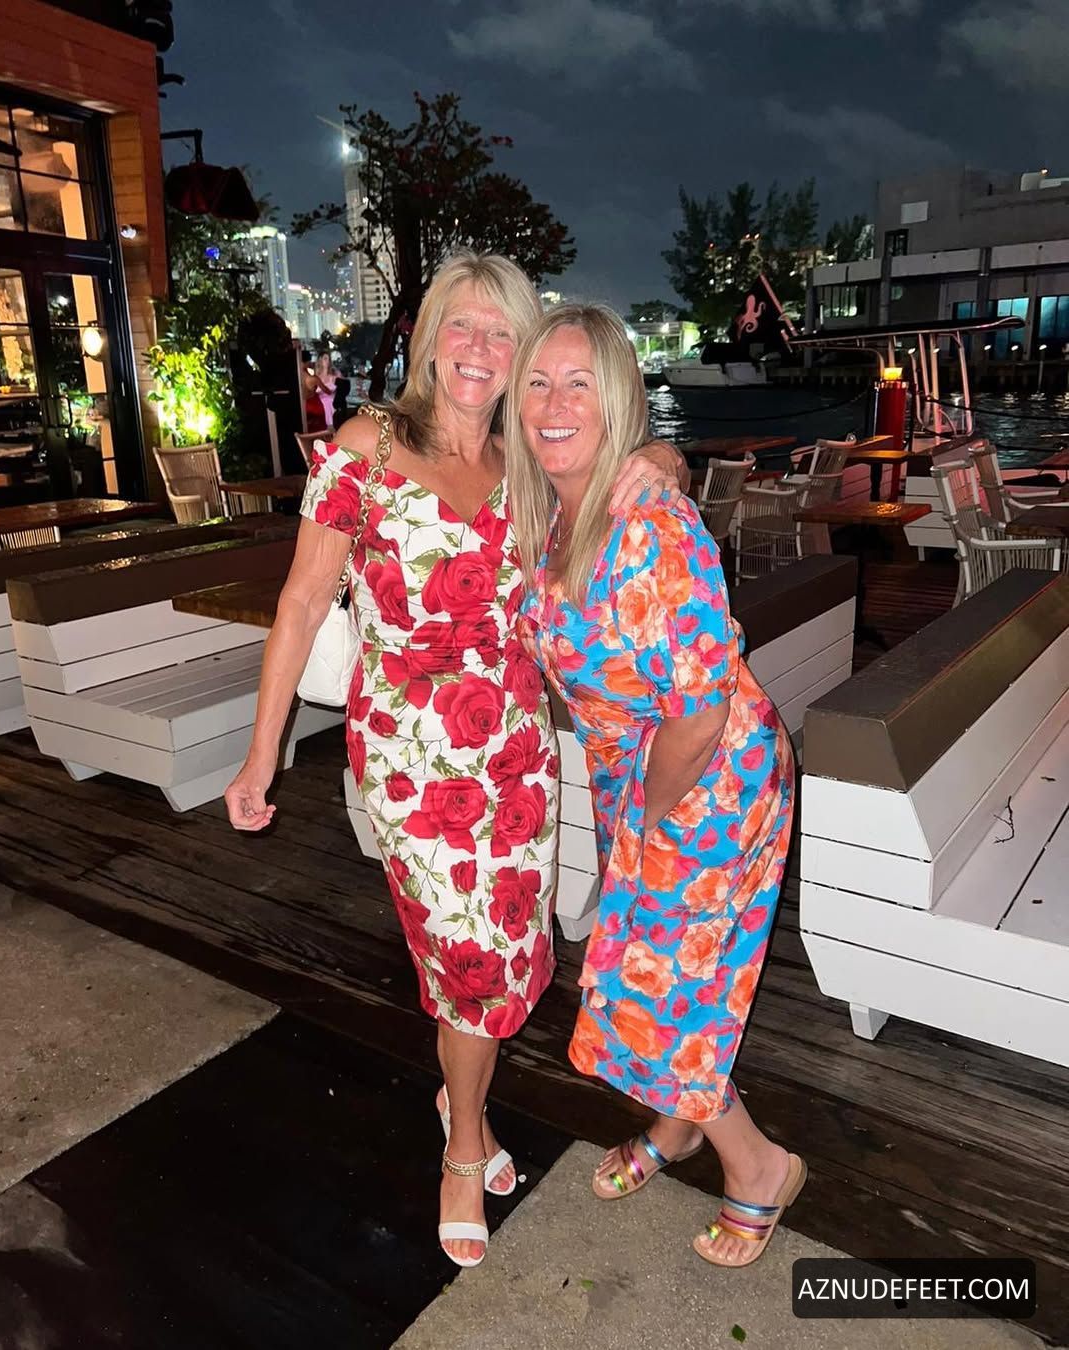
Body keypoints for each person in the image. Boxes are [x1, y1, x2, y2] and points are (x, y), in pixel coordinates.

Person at [223, 255, 687, 1269]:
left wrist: (667, 460)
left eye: (500, 331)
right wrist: (261, 758)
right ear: (431, 337)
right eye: (461, 326)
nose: (478, 348)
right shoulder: (369, 447)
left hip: (517, 753)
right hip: (412, 762)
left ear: (520, 352)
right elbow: (301, 603)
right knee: (471, 964)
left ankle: (455, 1094)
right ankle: (465, 1144)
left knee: (509, 961)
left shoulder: (528, 461)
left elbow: (628, 462)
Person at [508, 303, 803, 1270]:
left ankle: (759, 1165)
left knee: (660, 985)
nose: (554, 404)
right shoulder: (554, 507)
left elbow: (701, 710)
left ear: (618, 401)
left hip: (709, 779)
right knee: (660, 967)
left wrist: (647, 815)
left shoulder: (651, 525)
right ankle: (677, 1127)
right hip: (638, 774)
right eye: (538, 383)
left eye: (579, 384)